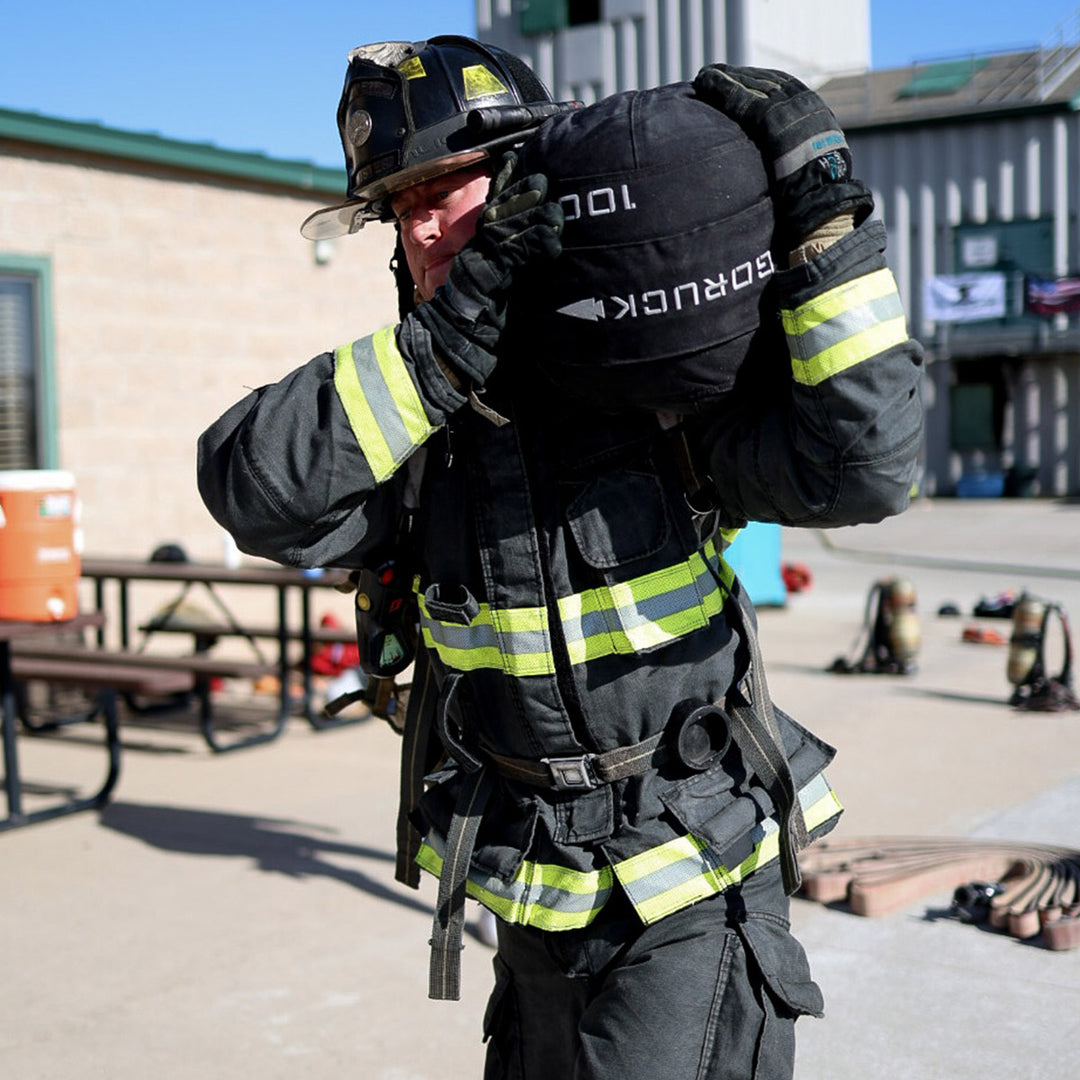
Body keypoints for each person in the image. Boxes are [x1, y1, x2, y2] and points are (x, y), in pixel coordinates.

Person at [197, 35, 924, 1080]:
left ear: (535, 187)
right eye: (400, 208)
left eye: (451, 188)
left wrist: (826, 225)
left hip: (689, 872)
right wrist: (439, 355)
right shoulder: (416, 416)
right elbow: (252, 487)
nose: (424, 223)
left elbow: (863, 466)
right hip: (531, 884)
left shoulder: (656, 380)